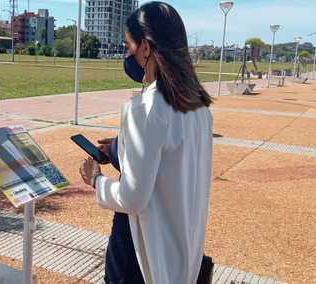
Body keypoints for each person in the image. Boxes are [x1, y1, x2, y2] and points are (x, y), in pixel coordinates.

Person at [78, 2, 214, 283]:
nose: (127, 53)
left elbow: (131, 199)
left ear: (146, 48)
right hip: (182, 245)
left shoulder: (144, 108)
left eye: (129, 45)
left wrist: (96, 180)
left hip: (140, 252)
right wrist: (119, 148)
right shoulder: (199, 106)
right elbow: (173, 157)